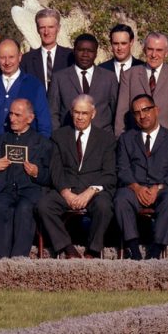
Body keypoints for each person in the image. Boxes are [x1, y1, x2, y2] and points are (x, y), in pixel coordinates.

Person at [37, 95, 116, 259]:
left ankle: (92, 250)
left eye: (84, 113)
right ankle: (67, 248)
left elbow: (109, 173)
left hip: (93, 191)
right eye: (76, 112)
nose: (80, 117)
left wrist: (89, 192)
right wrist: (66, 192)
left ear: (93, 114)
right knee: (43, 205)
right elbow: (55, 170)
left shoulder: (106, 139)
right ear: (72, 113)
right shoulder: (59, 136)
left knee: (104, 206)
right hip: (67, 188)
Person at [115, 93, 168, 260]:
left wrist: (157, 188)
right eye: (137, 112)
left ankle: (156, 251)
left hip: (164, 189)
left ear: (156, 110)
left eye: (146, 110)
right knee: (121, 198)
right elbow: (122, 169)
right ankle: (134, 250)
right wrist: (136, 187)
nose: (142, 115)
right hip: (135, 189)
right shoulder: (126, 139)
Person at [0, 98, 53, 259]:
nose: (12, 118)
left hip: (30, 191)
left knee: (24, 209)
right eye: (11, 114)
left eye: (17, 115)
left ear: (30, 118)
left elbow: (51, 177)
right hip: (5, 189)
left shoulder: (43, 143)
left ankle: (18, 260)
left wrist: (37, 172)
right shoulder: (0, 140)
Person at [114, 31, 168, 145]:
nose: (154, 54)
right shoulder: (129, 75)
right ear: (144, 50)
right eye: (150, 49)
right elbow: (121, 116)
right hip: (135, 145)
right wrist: (122, 145)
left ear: (166, 53)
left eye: (159, 50)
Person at [0, 38, 51, 147]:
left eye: (11, 57)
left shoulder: (34, 85)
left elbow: (44, 124)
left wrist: (38, 150)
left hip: (26, 151)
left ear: (20, 57)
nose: (7, 62)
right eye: (2, 57)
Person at [48, 33, 119, 131]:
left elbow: (116, 111)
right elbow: (52, 112)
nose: (85, 55)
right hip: (69, 135)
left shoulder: (109, 77)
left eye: (90, 51)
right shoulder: (59, 77)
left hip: (102, 136)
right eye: (81, 50)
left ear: (96, 53)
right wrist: (58, 135)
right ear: (74, 51)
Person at [19, 7, 73, 92]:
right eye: (42, 27)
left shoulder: (70, 57)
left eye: (51, 27)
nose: (46, 32)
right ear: (37, 29)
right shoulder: (26, 60)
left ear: (58, 28)